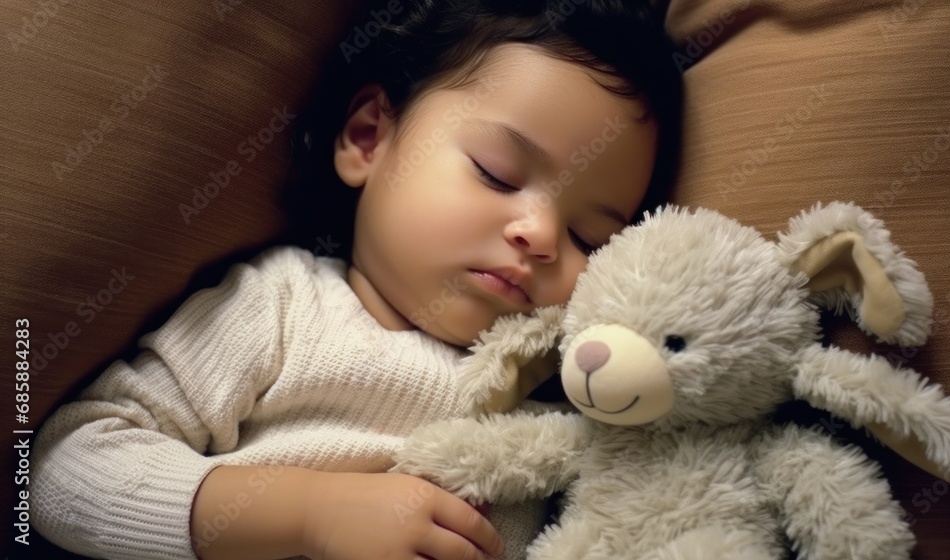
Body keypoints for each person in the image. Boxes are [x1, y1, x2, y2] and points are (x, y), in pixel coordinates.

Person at [30, 1, 683, 559]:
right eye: (497, 173)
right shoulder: (284, 306)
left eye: (589, 238)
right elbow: (64, 471)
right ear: (369, 137)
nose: (540, 235)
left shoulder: (560, 400)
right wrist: (310, 515)